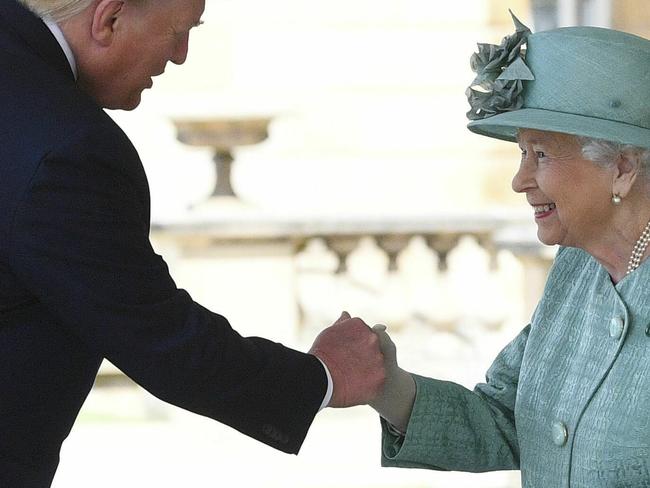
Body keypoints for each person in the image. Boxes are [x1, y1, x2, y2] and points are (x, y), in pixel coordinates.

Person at [0, 1, 386, 486]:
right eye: (178, 32)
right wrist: (324, 377)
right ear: (109, 19)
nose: (181, 56)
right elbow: (157, 336)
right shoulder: (66, 148)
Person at [365, 13, 650, 487]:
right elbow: (506, 415)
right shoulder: (576, 269)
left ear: (621, 166)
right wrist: (387, 388)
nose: (520, 181)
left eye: (540, 154)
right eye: (522, 154)